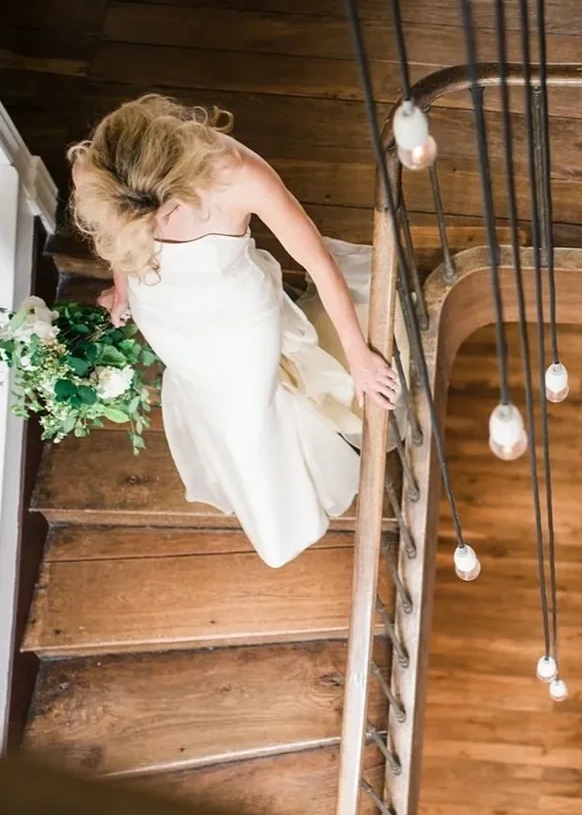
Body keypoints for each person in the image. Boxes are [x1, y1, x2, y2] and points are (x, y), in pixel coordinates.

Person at [69, 94, 399, 568]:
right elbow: (119, 240)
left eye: (163, 212)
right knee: (211, 408)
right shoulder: (94, 172)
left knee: (250, 421)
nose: (157, 226)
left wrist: (359, 353)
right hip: (163, 315)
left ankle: (287, 523)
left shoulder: (238, 174)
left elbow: (316, 262)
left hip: (240, 323)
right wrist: (123, 289)